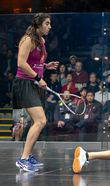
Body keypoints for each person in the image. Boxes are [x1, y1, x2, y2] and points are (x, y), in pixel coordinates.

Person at [13, 13, 59, 172]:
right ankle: (23, 159)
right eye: (47, 23)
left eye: (50, 23)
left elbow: (34, 61)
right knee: (41, 120)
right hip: (24, 84)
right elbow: (21, 63)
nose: (50, 26)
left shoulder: (41, 41)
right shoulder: (28, 40)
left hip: (34, 85)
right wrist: (39, 77)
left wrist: (45, 66)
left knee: (36, 122)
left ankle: (29, 155)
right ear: (38, 25)